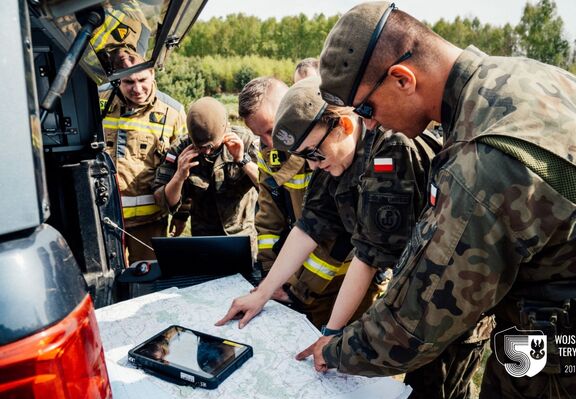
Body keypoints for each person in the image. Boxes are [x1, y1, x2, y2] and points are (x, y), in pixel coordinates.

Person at [311, 2, 576, 399]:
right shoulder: (538, 77)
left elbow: (413, 326)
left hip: (559, 372)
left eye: (366, 108)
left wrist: (334, 349)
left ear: (402, 78)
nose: (371, 124)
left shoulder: (486, 163)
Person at [217, 77, 438, 352]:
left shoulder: (389, 154)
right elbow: (311, 223)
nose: (312, 164)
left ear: (343, 126)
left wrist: (331, 333)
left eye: (313, 153)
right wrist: (261, 294)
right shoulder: (332, 157)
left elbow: (367, 254)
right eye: (304, 156)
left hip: (438, 284)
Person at [238, 77, 355, 327]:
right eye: (261, 136)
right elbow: (269, 220)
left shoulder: (334, 151)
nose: (272, 142)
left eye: (272, 130)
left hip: (344, 279)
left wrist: (297, 289)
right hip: (296, 281)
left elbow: (334, 233)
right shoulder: (271, 155)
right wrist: (270, 279)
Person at [100, 64, 187, 264]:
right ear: (117, 79)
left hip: (150, 222)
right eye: (129, 82)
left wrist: (182, 213)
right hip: (104, 220)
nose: (137, 89)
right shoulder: (96, 101)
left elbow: (185, 168)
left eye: (142, 80)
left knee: (148, 282)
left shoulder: (173, 112)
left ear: (152, 74)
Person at [153, 97, 259, 254]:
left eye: (211, 146)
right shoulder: (180, 150)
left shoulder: (245, 141)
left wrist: (242, 160)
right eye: (200, 147)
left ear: (226, 129)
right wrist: (179, 176)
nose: (207, 152)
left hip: (242, 237)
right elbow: (164, 201)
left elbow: (267, 185)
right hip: (204, 239)